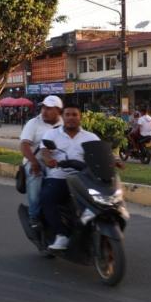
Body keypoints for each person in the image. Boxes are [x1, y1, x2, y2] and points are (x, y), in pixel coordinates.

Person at [39, 102, 101, 250]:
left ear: (80, 117)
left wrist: (115, 161)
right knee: (47, 198)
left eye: (75, 115)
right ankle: (62, 235)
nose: (71, 118)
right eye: (68, 115)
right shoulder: (52, 134)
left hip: (84, 177)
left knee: (99, 202)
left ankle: (87, 227)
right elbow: (44, 150)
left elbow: (101, 153)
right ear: (62, 116)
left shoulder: (90, 136)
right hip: (59, 177)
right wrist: (48, 159)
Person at [19, 95, 63, 229]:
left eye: (49, 108)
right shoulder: (34, 123)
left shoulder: (64, 123)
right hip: (35, 160)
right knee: (35, 176)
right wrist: (33, 162)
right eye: (43, 107)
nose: (44, 111)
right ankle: (34, 216)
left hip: (57, 162)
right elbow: (24, 146)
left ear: (58, 111)